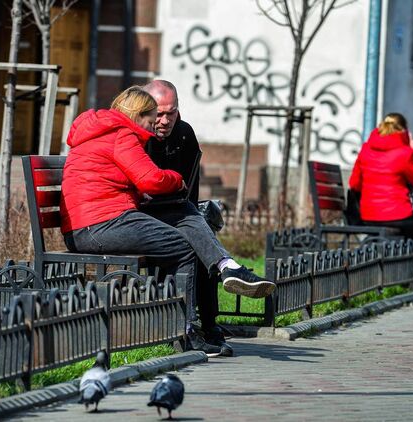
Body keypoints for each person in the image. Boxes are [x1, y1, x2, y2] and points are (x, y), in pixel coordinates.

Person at [60, 86, 274, 356]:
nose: (154, 128)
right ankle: (184, 330)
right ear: (138, 115)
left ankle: (226, 268)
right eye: (152, 120)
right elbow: (151, 179)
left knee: (183, 213)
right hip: (99, 225)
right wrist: (177, 179)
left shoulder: (108, 129)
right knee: (183, 245)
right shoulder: (122, 134)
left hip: (98, 221)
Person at [143, 80, 234, 357]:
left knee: (201, 234)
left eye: (171, 113)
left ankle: (209, 324)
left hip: (175, 210)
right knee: (193, 242)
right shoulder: (137, 136)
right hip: (141, 215)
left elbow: (190, 190)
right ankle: (188, 325)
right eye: (159, 114)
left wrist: (190, 218)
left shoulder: (184, 134)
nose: (165, 121)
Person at [349, 113, 413, 291]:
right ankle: (409, 271)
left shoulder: (366, 150)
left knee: (409, 238)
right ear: (404, 130)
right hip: (398, 215)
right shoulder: (404, 153)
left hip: (369, 215)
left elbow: (354, 184)